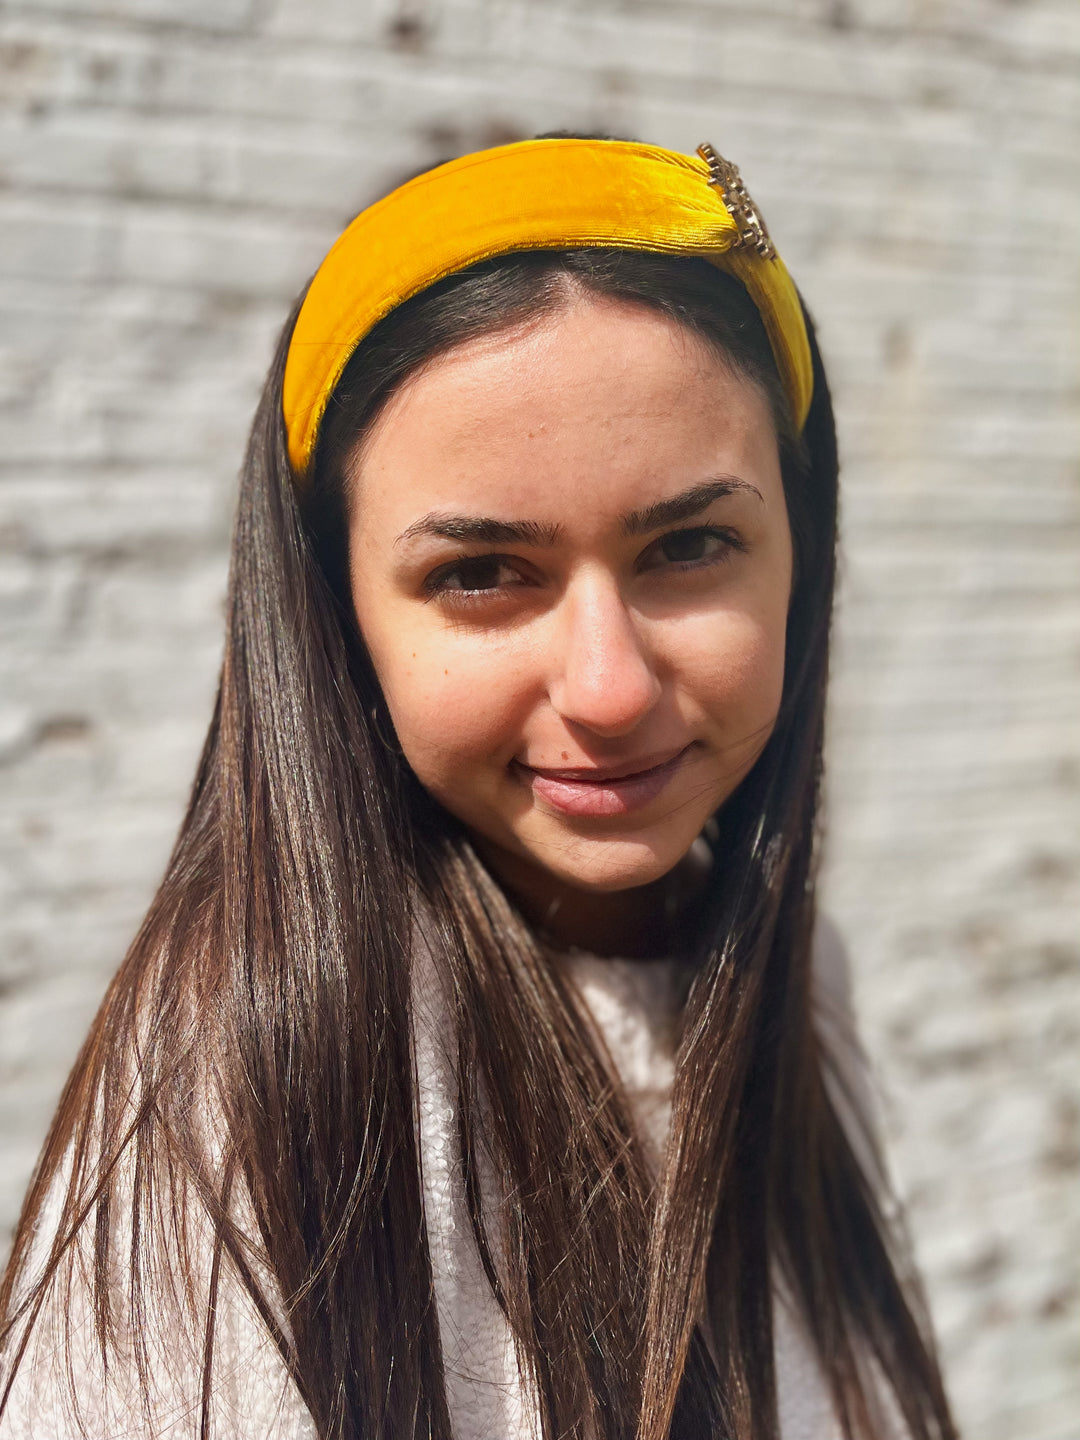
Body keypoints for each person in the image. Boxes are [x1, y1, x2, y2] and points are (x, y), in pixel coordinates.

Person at [0, 136, 957, 1440]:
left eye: (689, 544)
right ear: (337, 613)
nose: (608, 687)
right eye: (482, 574)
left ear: (803, 545)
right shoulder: (272, 1075)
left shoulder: (793, 972)